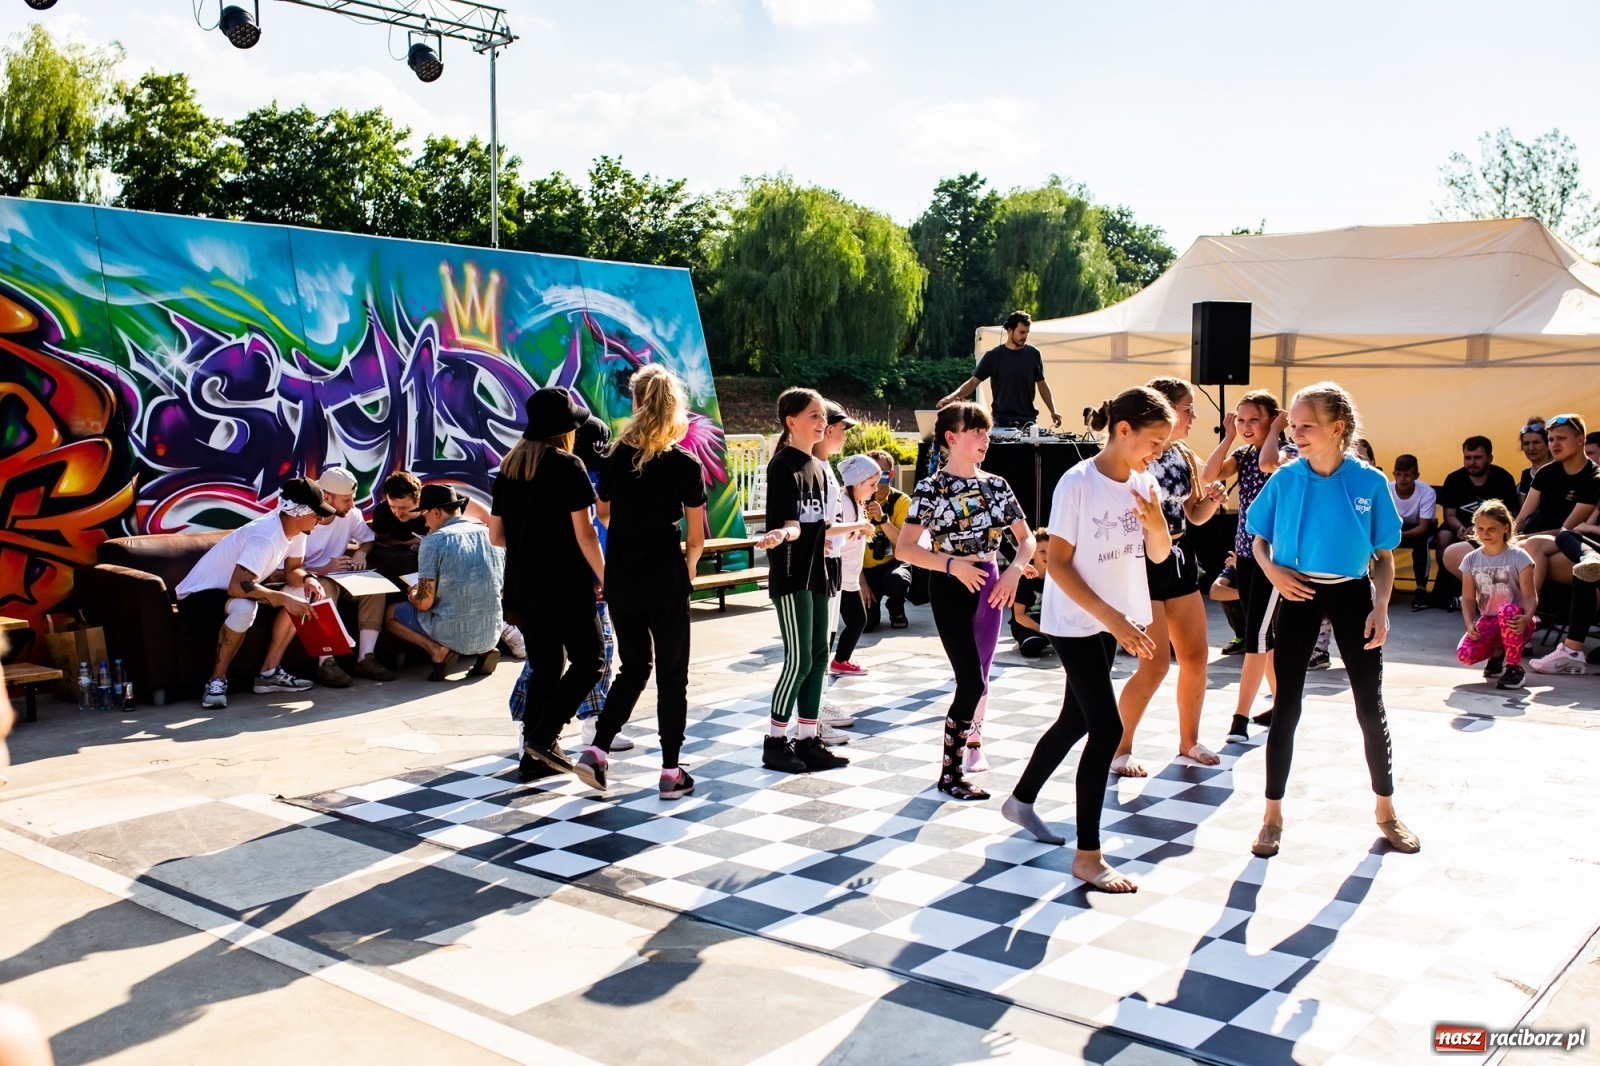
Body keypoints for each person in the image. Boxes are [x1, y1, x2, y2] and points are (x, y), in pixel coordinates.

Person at [1001, 387, 1174, 893]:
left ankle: (1021, 800)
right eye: (1154, 441)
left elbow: (1159, 556)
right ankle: (1087, 855)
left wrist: (1157, 524)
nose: (1159, 452)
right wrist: (1115, 620)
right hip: (1075, 620)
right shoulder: (1076, 482)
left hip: (1110, 619)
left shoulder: (1144, 483)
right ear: (1123, 430)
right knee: (1105, 728)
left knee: (1075, 718)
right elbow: (1059, 565)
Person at [1246, 381, 1418, 858]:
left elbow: (1383, 556)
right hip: (1296, 591)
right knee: (1286, 709)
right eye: (1293, 426)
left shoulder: (1369, 482)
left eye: (1306, 426)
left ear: (1337, 428)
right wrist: (1272, 571)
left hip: (1353, 596)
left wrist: (1381, 607)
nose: (1295, 434)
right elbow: (1257, 539)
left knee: (1369, 706)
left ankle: (1386, 811)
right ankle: (1271, 817)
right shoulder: (1284, 478)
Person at [577, 365, 707, 799]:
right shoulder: (685, 463)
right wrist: (688, 569)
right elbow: (695, 536)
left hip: (623, 575)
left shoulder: (614, 457)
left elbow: (605, 513)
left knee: (633, 668)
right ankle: (671, 770)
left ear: (635, 403)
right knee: (673, 675)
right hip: (666, 575)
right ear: (674, 407)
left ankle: (597, 750)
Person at [894, 402, 1034, 799]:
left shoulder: (996, 485)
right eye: (975, 431)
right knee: (969, 679)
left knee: (982, 674)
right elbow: (905, 549)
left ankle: (967, 754)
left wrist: (1012, 570)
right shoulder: (930, 487)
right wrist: (952, 565)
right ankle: (950, 773)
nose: (984, 439)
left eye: (986, 431)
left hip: (990, 581)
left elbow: (1026, 539)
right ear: (951, 438)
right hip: (951, 583)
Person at [489, 388, 607, 786]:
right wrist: (604, 576)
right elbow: (586, 533)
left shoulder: (510, 467)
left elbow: (496, 536)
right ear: (565, 429)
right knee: (591, 660)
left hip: (521, 585)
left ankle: (532, 756)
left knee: (545, 665)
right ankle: (544, 737)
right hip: (564, 583)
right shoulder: (567, 464)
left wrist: (530, 538)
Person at [1114, 377, 1228, 775]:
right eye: (1188, 408)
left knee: (1196, 657)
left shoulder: (1181, 454)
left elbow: (1194, 514)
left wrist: (1211, 501)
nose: (1194, 416)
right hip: (1142, 563)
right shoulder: (1135, 456)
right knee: (1155, 663)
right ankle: (1120, 748)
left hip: (1181, 558)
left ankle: (1189, 741)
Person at [174, 476, 336, 709]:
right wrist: (283, 599)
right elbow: (237, 586)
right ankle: (216, 681)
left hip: (230, 592)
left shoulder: (298, 531)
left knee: (299, 592)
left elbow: (293, 571)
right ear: (297, 512)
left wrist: (309, 579)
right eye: (316, 513)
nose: (320, 519)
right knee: (246, 607)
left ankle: (268, 675)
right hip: (197, 596)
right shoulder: (265, 536)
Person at [754, 388, 851, 774]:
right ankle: (775, 742)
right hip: (793, 575)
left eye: (823, 415)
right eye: (814, 415)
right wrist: (780, 535)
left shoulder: (818, 466)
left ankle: (808, 739)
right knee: (797, 659)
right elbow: (791, 525)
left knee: (817, 658)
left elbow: (820, 524)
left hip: (819, 573)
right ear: (791, 422)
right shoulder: (783, 466)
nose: (822, 421)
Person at [1200, 390, 1296, 742]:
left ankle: (1239, 717)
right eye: (1240, 420)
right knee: (1263, 635)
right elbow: (1210, 475)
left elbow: (1270, 464)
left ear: (1273, 419)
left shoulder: (1287, 451)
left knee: (1256, 636)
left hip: (1271, 557)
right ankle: (1285, 703)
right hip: (1244, 553)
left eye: (1253, 419)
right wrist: (1227, 437)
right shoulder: (1241, 453)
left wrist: (1276, 431)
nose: (1245, 426)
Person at [268, 467, 394, 687]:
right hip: (312, 580)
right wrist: (323, 569)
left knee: (374, 587)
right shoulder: (299, 518)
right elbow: (278, 574)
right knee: (321, 588)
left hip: (342, 577)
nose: (352, 505)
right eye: (346, 500)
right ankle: (326, 663)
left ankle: (365, 658)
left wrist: (361, 552)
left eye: (352, 499)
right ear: (326, 497)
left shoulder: (350, 514)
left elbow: (367, 538)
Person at [386, 484, 504, 682]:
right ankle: (486, 650)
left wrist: (412, 593)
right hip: (492, 630)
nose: (424, 522)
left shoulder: (433, 541)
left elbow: (424, 602)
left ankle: (437, 651)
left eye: (424, 515)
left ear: (436, 512)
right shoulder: (488, 533)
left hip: (450, 633)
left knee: (391, 613)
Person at [571, 412, 633, 754]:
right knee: (549, 657)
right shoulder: (569, 477)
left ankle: (594, 720)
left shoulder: (602, 475)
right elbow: (584, 534)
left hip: (601, 576)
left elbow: (607, 530)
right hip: (580, 577)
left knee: (603, 650)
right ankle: (532, 721)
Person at [1519, 414, 1600, 676]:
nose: (1554, 444)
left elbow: (1573, 527)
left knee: (1560, 549)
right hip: (1567, 545)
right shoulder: (1546, 472)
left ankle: (1522, 624)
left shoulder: (1595, 477)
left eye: (1560, 438)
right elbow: (1523, 518)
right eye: (1551, 439)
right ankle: (1511, 623)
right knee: (1461, 553)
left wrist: (1590, 528)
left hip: (1574, 545)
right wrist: (1508, 538)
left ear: (1580, 440)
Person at [1455, 502, 1536, 691]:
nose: (1485, 534)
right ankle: (1498, 652)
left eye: (1492, 529)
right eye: (1480, 529)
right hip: (1489, 619)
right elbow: (1467, 598)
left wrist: (1526, 617)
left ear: (1505, 527)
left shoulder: (1519, 557)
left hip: (1517, 618)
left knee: (1507, 610)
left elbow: (1531, 596)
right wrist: (1469, 623)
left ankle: (1515, 668)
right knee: (1465, 655)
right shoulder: (1471, 559)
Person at [938, 311, 1063, 429]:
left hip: (1028, 421)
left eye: (1027, 333)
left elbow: (1042, 384)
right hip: (1000, 421)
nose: (1025, 336)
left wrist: (1053, 410)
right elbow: (973, 383)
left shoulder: (1034, 354)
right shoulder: (993, 356)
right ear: (1009, 330)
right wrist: (952, 397)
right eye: (1021, 332)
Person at [1434, 436, 1521, 596]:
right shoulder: (1454, 479)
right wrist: (1459, 527)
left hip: (1493, 529)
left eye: (1477, 458)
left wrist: (1481, 529)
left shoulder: (1503, 478)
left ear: (1490, 458)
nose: (1472, 462)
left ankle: (1488, 590)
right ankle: (1450, 587)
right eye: (1468, 458)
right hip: (1461, 527)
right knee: (1444, 536)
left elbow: (1512, 515)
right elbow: (1449, 515)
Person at [830, 455, 882, 677]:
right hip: (839, 577)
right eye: (871, 484)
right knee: (835, 626)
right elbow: (836, 530)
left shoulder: (855, 503)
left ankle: (840, 660)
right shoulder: (843, 503)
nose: (875, 489)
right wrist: (862, 526)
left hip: (848, 577)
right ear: (857, 483)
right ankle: (832, 661)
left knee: (858, 620)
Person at [861, 449, 913, 631]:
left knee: (897, 580)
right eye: (869, 475)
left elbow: (904, 544)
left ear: (891, 475)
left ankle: (896, 606)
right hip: (862, 569)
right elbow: (846, 549)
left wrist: (883, 520)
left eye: (881, 475)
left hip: (892, 563)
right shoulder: (853, 500)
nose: (875, 481)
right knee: (866, 625)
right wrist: (859, 582)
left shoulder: (901, 500)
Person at [1388, 454, 1438, 610]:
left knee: (1421, 543)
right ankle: (1383, 588)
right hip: (1395, 528)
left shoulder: (1427, 492)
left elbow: (1423, 527)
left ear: (1416, 476)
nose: (1402, 479)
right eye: (1398, 474)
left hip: (1420, 528)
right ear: (1394, 474)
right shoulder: (1386, 489)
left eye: (1407, 475)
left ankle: (1421, 589)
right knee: (1378, 544)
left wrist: (1399, 536)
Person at [1010, 531, 1051, 658]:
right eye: (1042, 551)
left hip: (1049, 624)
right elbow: (1019, 616)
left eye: (1051, 551)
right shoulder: (1023, 580)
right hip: (1027, 625)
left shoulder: (1057, 579)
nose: (1047, 555)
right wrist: (1047, 633)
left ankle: (1049, 640)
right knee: (1031, 649)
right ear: (1032, 554)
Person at [1517, 418, 1552, 500]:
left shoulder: (1562, 470)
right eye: (1526, 443)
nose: (1531, 448)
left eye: (1536, 442)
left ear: (1548, 445)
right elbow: (1524, 509)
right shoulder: (1526, 475)